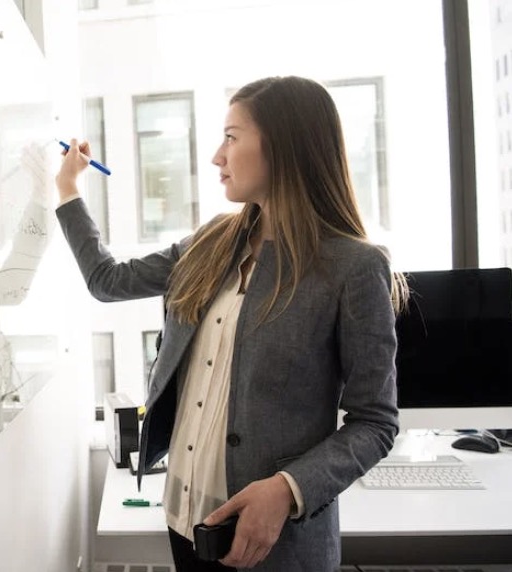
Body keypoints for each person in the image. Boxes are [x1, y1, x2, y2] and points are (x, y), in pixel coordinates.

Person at [54, 76, 408, 571]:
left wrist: (288, 490)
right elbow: (107, 280)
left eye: (231, 136)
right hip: (184, 522)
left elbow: (375, 423)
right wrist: (68, 188)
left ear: (283, 145)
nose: (218, 156)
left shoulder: (353, 267)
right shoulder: (211, 242)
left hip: (275, 544)